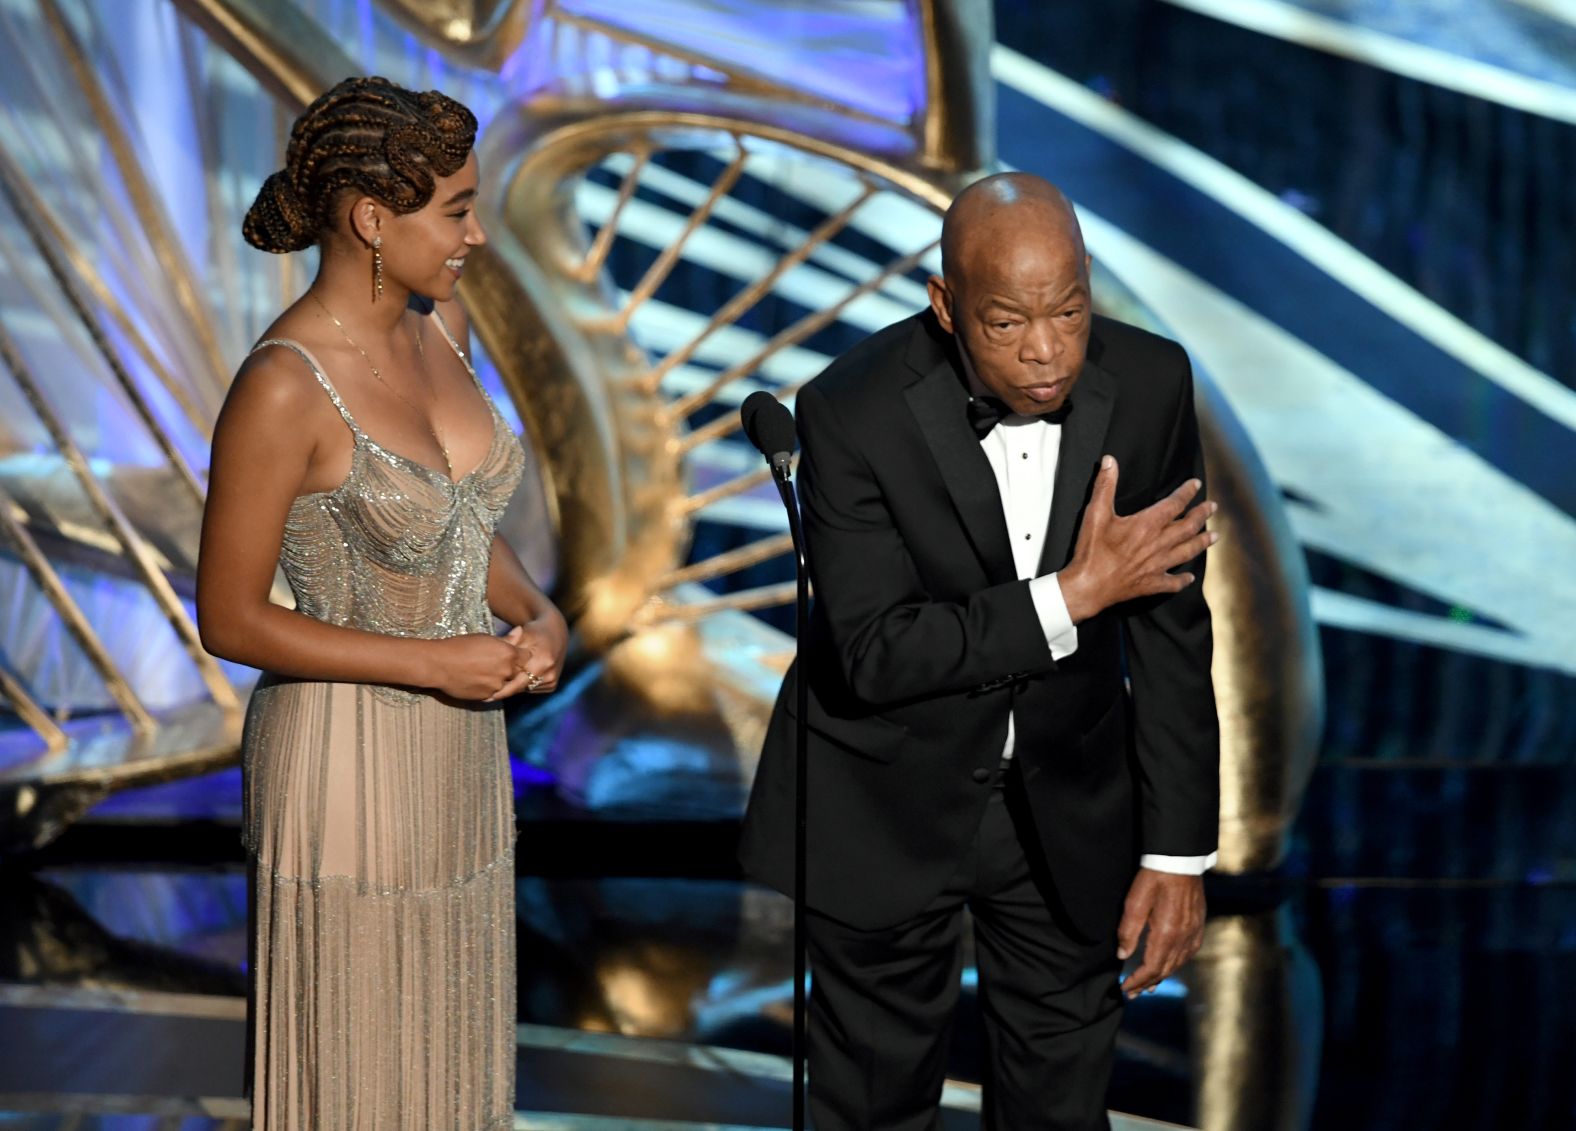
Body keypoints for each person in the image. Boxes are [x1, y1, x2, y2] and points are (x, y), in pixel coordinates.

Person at [739, 172, 1221, 1130]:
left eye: (1070, 311)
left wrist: (1179, 854)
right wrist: (1075, 594)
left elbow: (1171, 629)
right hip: (884, 795)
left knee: (1062, 1111)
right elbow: (876, 651)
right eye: (1007, 323)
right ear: (947, 306)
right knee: (872, 1108)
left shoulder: (1152, 383)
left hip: (1068, 808)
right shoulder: (851, 411)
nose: (1047, 352)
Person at [196, 76, 566, 1129]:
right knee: (362, 1065)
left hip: (460, 760)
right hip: (343, 765)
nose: (476, 234)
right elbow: (227, 618)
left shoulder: (438, 323)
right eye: (454, 208)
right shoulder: (283, 382)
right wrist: (437, 664)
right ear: (371, 218)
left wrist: (539, 614)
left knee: (448, 1054)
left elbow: (455, 522)